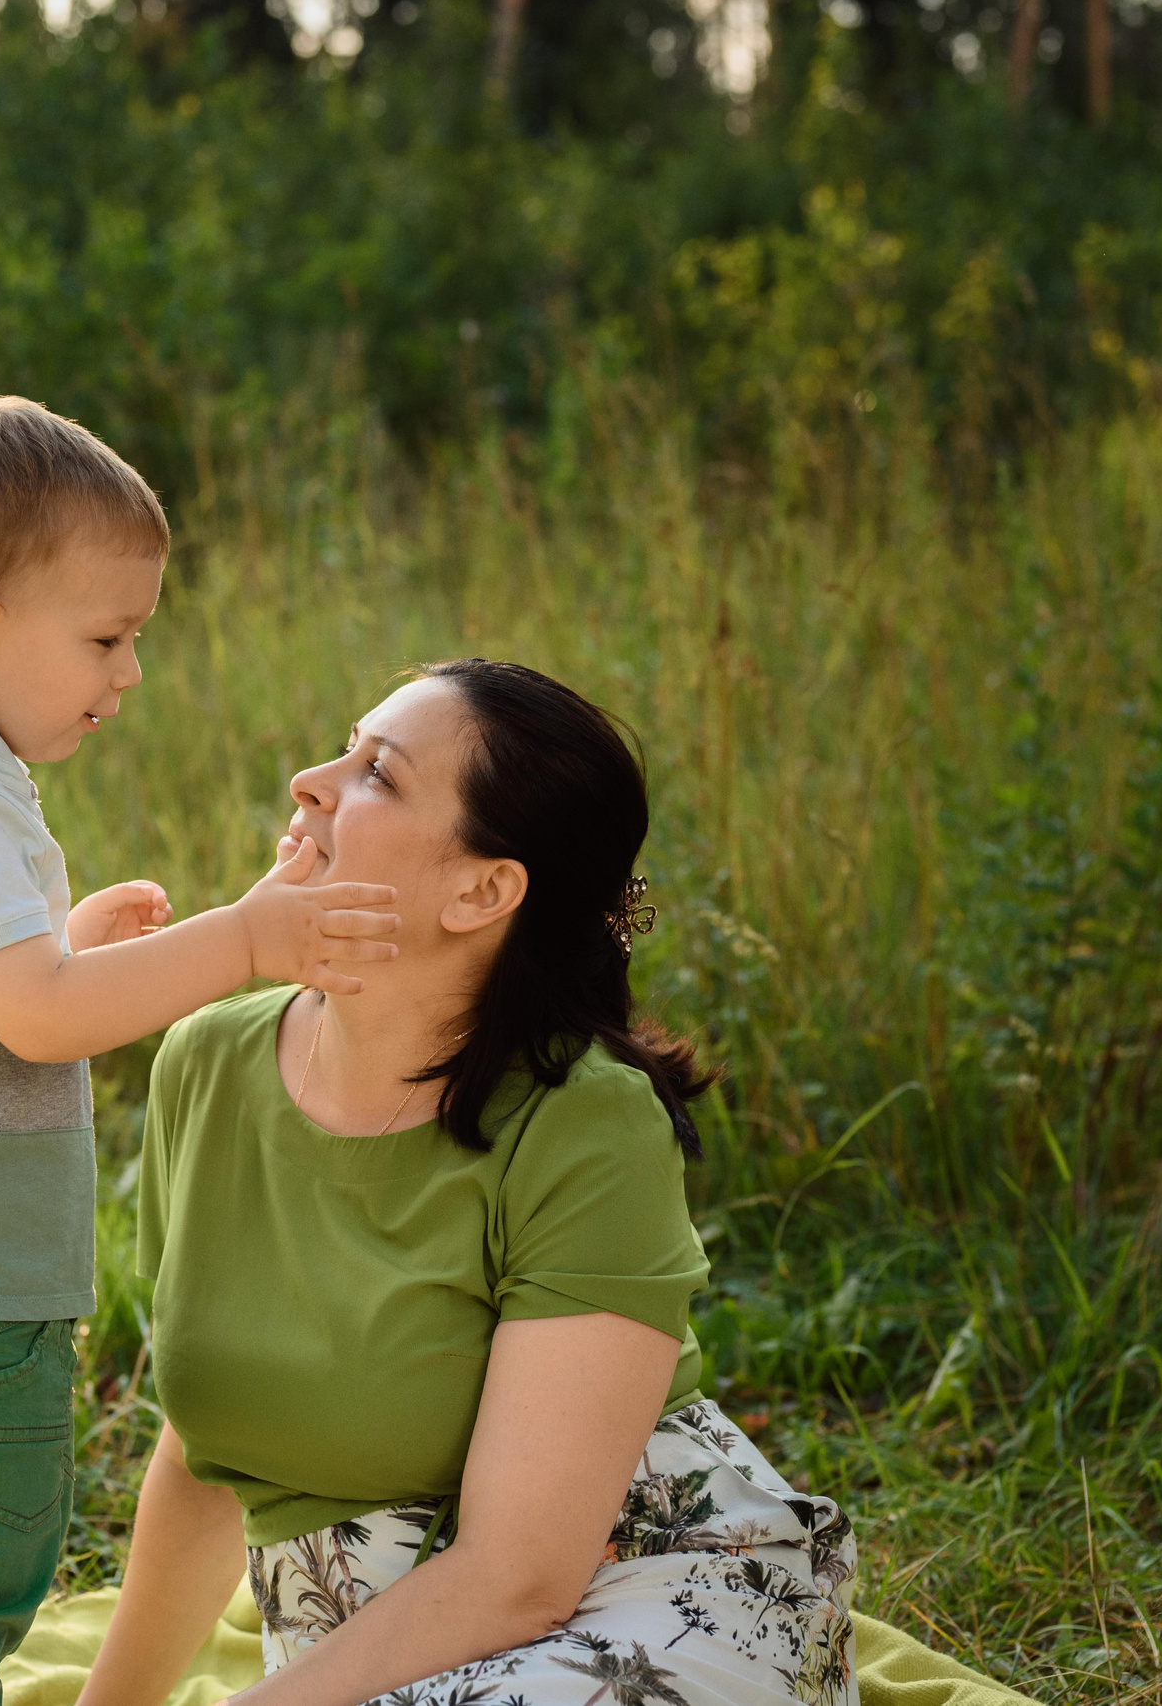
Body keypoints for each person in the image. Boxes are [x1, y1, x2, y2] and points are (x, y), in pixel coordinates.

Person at [74, 659, 890, 1706]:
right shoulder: (206, 1060)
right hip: (370, 1648)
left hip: (640, 1595)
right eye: (342, 747)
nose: (309, 783)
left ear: (481, 890)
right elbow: (210, 1446)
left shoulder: (583, 1121)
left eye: (377, 774)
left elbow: (521, 1577)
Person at [0, 396, 400, 1706]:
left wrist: (60, 938)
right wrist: (245, 939)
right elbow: (45, 1016)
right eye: (110, 637)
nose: (129, 673)